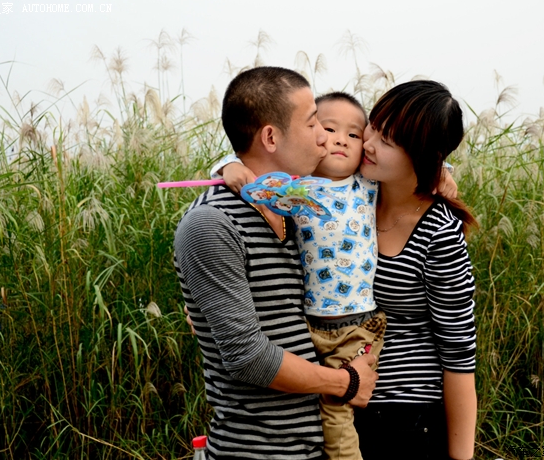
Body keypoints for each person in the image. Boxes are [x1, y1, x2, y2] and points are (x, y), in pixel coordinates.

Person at [214, 91, 458, 460]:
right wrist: (227, 166)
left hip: (358, 326)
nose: (341, 140)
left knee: (336, 410)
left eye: (354, 134)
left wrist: (443, 171)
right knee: (305, 404)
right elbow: (254, 171)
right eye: (328, 129)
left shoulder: (367, 185)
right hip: (306, 326)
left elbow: (408, 159)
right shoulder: (295, 186)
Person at [173, 67, 378, 460]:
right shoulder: (211, 223)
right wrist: (344, 383)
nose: (324, 136)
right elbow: (247, 357)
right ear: (270, 137)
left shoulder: (294, 211)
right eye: (313, 123)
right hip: (258, 452)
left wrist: (440, 175)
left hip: (315, 447)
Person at [353, 80, 478, 460]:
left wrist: (461, 457)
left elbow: (459, 354)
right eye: (373, 126)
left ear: (423, 156)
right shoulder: (350, 193)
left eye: (388, 140)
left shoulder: (438, 233)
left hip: (404, 419)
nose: (369, 143)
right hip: (336, 403)